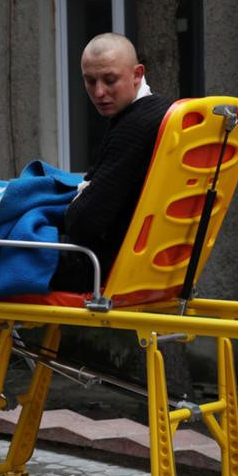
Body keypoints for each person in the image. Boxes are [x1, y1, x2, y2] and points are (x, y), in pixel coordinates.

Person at [51, 33, 172, 290]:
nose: (99, 92)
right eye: (90, 81)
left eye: (110, 80)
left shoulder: (134, 127)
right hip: (158, 262)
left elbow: (83, 223)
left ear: (137, 74)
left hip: (102, 266)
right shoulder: (164, 111)